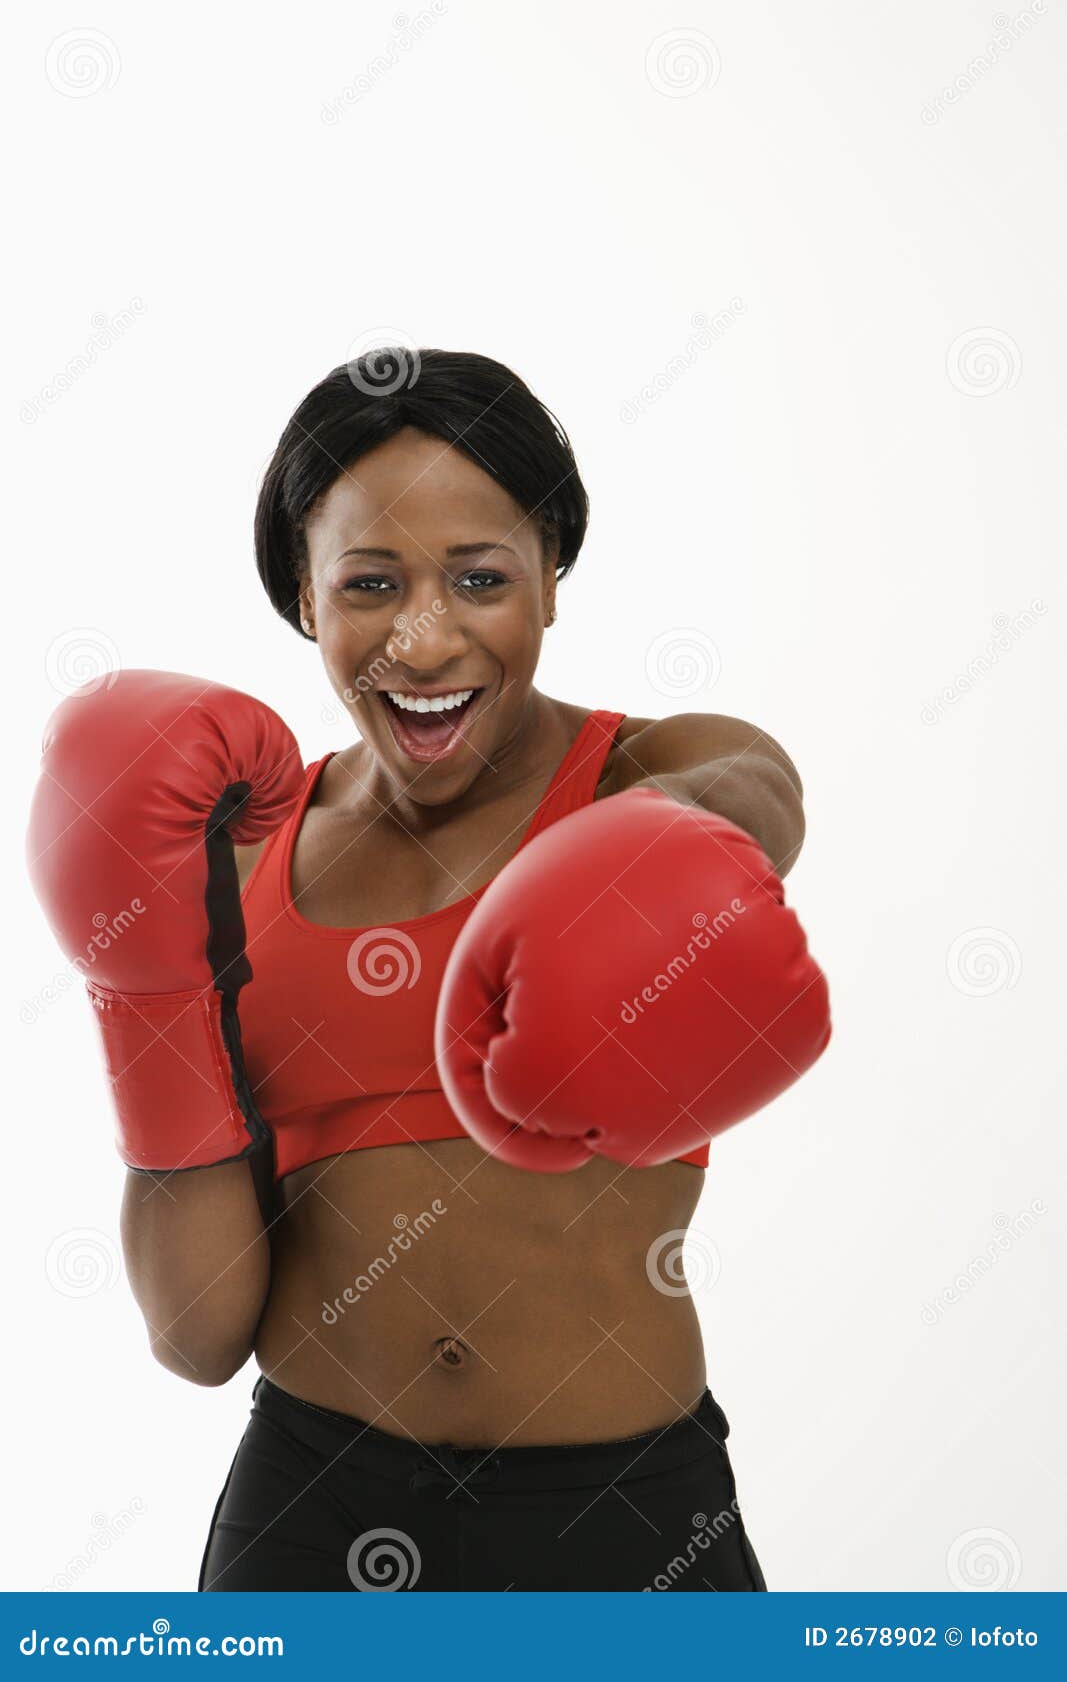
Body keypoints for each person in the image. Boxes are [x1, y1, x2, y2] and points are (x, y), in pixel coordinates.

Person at [27, 347, 830, 1592]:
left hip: (623, 1507)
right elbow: (197, 1334)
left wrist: (652, 856)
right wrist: (144, 990)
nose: (422, 635)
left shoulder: (639, 776)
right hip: (309, 1498)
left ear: (551, 582)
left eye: (478, 579)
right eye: (368, 582)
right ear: (303, 596)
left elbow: (752, 795)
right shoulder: (236, 859)